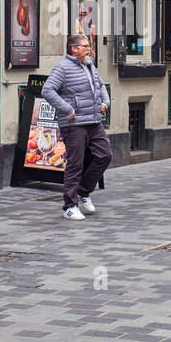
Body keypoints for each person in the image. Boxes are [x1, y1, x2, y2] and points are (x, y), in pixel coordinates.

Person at [43, 34, 112, 221]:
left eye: (89, 46)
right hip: (74, 124)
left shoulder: (90, 64)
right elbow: (47, 90)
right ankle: (70, 206)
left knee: (105, 155)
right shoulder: (63, 68)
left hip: (94, 120)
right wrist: (67, 109)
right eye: (85, 46)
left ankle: (83, 191)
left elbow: (100, 85)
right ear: (74, 48)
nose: (89, 49)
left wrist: (105, 102)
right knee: (75, 163)